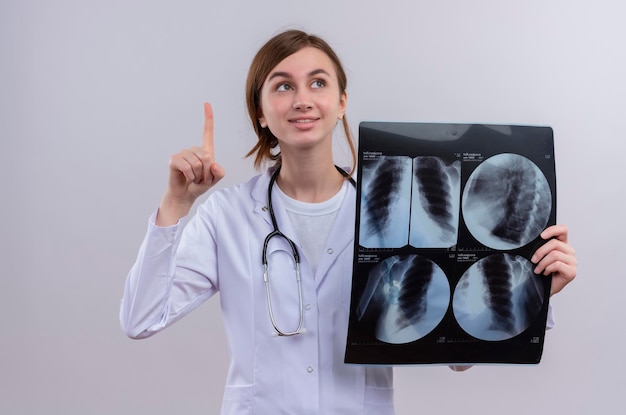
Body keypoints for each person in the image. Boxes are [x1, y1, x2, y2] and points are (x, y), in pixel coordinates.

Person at [120, 29, 577, 414]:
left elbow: (458, 356)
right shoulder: (226, 217)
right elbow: (140, 320)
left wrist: (534, 289)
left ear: (341, 102)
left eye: (317, 83)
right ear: (260, 112)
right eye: (282, 86)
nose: (302, 99)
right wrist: (175, 205)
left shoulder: (402, 213)